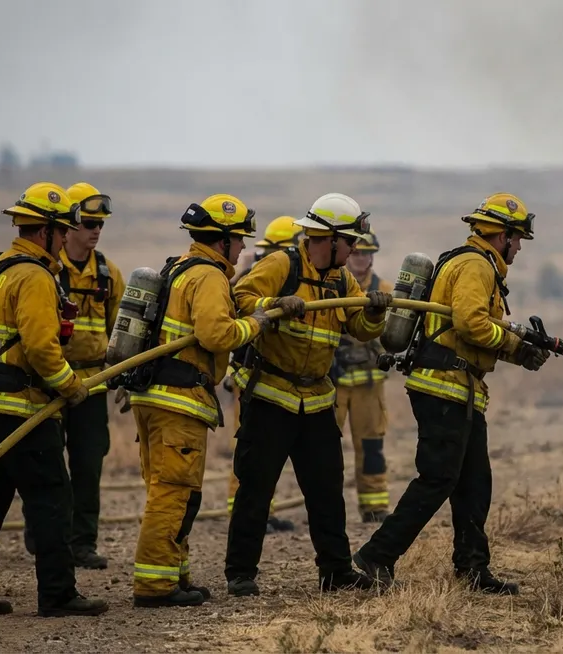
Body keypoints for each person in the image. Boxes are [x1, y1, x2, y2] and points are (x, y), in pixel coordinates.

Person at [353, 193, 550, 595]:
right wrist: (516, 343)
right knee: (438, 478)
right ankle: (376, 556)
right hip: (444, 388)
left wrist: (520, 352)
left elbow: (473, 332)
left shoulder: (477, 264)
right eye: (517, 240)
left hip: (462, 389)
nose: (517, 249)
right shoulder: (476, 265)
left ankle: (473, 570)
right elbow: (472, 323)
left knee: (475, 483)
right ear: (502, 236)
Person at [0, 182, 107, 617]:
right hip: (21, 410)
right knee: (52, 499)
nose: (64, 239)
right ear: (46, 232)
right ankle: (58, 595)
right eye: (62, 232)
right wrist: (70, 386)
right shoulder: (35, 276)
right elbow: (41, 349)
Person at [224, 193, 391, 596]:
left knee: (326, 491)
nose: (353, 251)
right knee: (256, 487)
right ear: (329, 240)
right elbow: (238, 299)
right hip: (270, 398)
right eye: (349, 241)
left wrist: (374, 312)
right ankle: (240, 572)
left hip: (316, 400)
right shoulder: (282, 264)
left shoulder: (339, 278)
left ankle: (335, 571)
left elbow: (360, 328)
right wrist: (273, 303)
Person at [123, 194, 275, 608]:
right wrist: (255, 325)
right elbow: (216, 335)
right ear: (222, 240)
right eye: (239, 239)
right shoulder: (208, 276)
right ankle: (155, 586)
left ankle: (175, 577)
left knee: (176, 493)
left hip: (154, 396)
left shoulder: (179, 268)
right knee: (173, 491)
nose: (243, 247)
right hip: (179, 401)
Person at [22, 182, 124, 569]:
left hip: (92, 387)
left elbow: (120, 330)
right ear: (69, 224)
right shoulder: (47, 270)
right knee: (46, 464)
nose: (96, 230)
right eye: (89, 222)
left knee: (87, 465)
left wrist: (122, 378)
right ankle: (45, 534)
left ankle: (82, 543)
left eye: (101, 223)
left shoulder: (109, 274)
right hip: (48, 385)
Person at [225, 216, 302, 533]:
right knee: (248, 449)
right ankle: (240, 511)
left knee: (266, 454)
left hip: (272, 381)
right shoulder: (254, 279)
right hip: (250, 377)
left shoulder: (289, 280)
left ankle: (264, 512)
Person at [332, 227, 394, 522]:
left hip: (369, 383)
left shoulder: (384, 289)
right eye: (356, 253)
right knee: (326, 448)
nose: (360, 259)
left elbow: (394, 336)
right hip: (333, 382)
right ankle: (326, 505)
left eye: (366, 254)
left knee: (372, 446)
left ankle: (374, 506)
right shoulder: (333, 286)